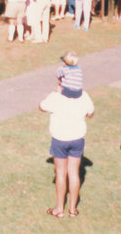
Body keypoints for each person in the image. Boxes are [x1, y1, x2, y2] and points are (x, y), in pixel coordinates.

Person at [40, 85, 95, 218]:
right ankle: (72, 210)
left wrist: (54, 92)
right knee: (74, 173)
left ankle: (59, 209)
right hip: (77, 139)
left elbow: (41, 107)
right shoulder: (84, 95)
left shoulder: (56, 97)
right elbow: (90, 114)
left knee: (60, 173)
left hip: (60, 139)